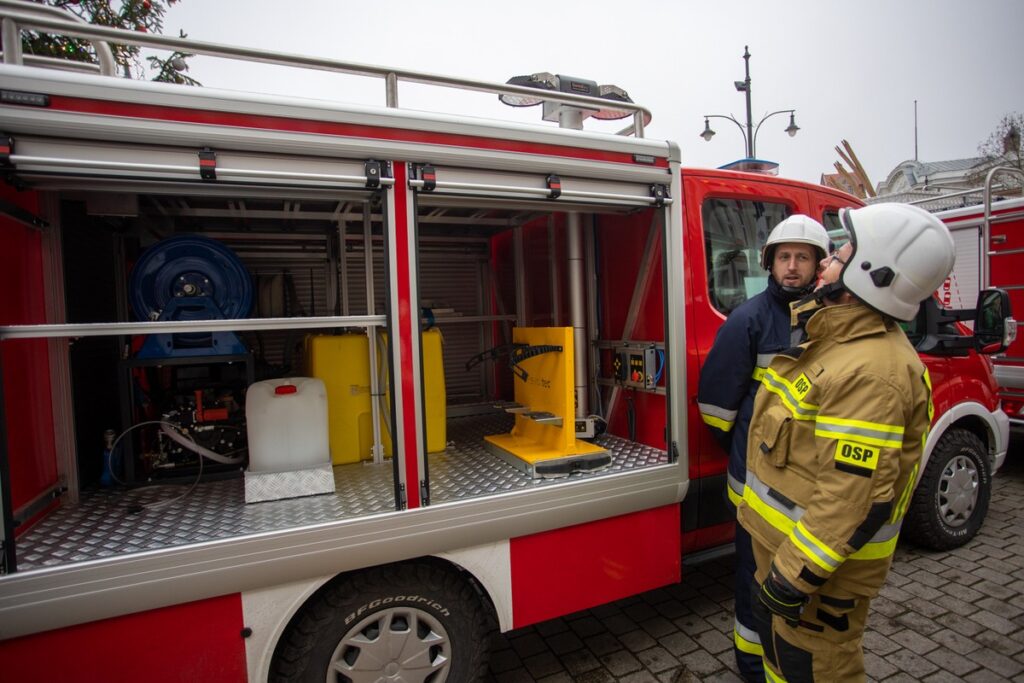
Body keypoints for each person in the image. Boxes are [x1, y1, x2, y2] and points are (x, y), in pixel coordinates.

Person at [737, 203, 956, 682]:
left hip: (814, 575)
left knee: (816, 669)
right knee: (784, 666)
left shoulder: (872, 372)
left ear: (870, 274)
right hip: (785, 554)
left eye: (841, 252)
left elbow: (853, 498)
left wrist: (794, 576)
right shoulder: (838, 342)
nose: (828, 260)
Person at [698, 214, 831, 682]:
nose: (792, 267)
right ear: (769, 264)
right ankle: (753, 667)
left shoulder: (831, 319)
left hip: (810, 488)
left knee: (801, 584)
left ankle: (793, 659)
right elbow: (716, 408)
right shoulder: (747, 319)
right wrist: (748, 449)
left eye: (802, 257)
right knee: (754, 584)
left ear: (818, 264)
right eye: (783, 258)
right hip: (756, 487)